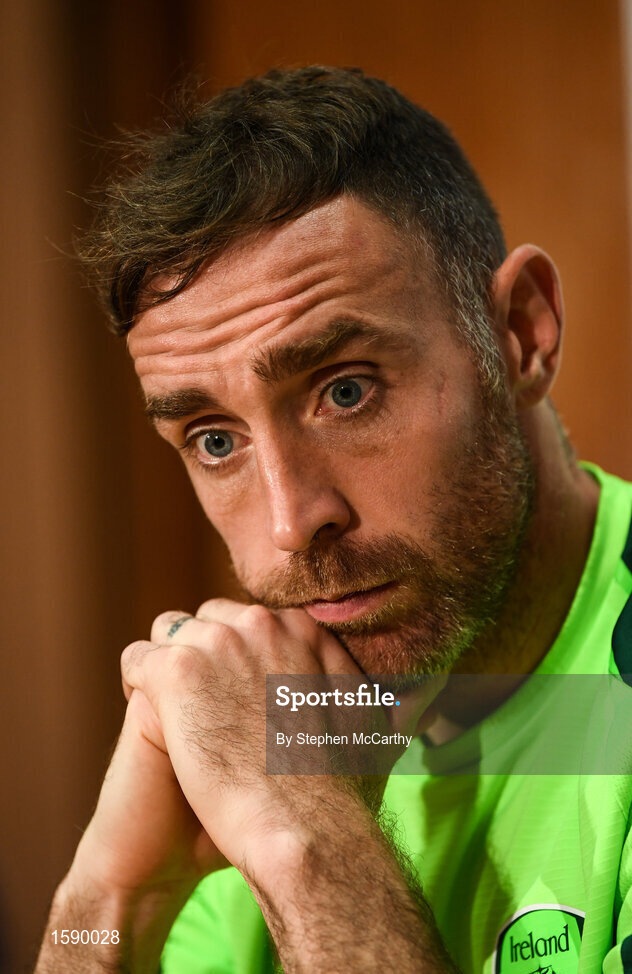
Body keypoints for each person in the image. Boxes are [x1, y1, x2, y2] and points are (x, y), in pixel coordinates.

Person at [34, 66, 632, 974]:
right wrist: (111, 898)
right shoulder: (264, 730)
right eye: (214, 440)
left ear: (520, 332)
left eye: (346, 392)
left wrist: (305, 846)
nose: (290, 523)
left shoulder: (280, 796)